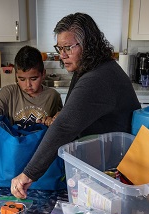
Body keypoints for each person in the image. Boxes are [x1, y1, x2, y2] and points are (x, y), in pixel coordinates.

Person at [11, 13, 141, 199]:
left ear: (87, 44)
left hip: (115, 171)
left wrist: (28, 174)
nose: (62, 55)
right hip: (105, 161)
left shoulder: (97, 78)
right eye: (59, 48)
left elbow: (64, 127)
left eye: (68, 48)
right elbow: (71, 114)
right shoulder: (91, 67)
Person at [0, 45, 63, 128]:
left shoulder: (53, 95)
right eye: (22, 79)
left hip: (43, 140)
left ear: (43, 74)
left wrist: (52, 121)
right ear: (16, 75)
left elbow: (61, 122)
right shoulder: (9, 92)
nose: (28, 85)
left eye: (34, 79)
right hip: (16, 140)